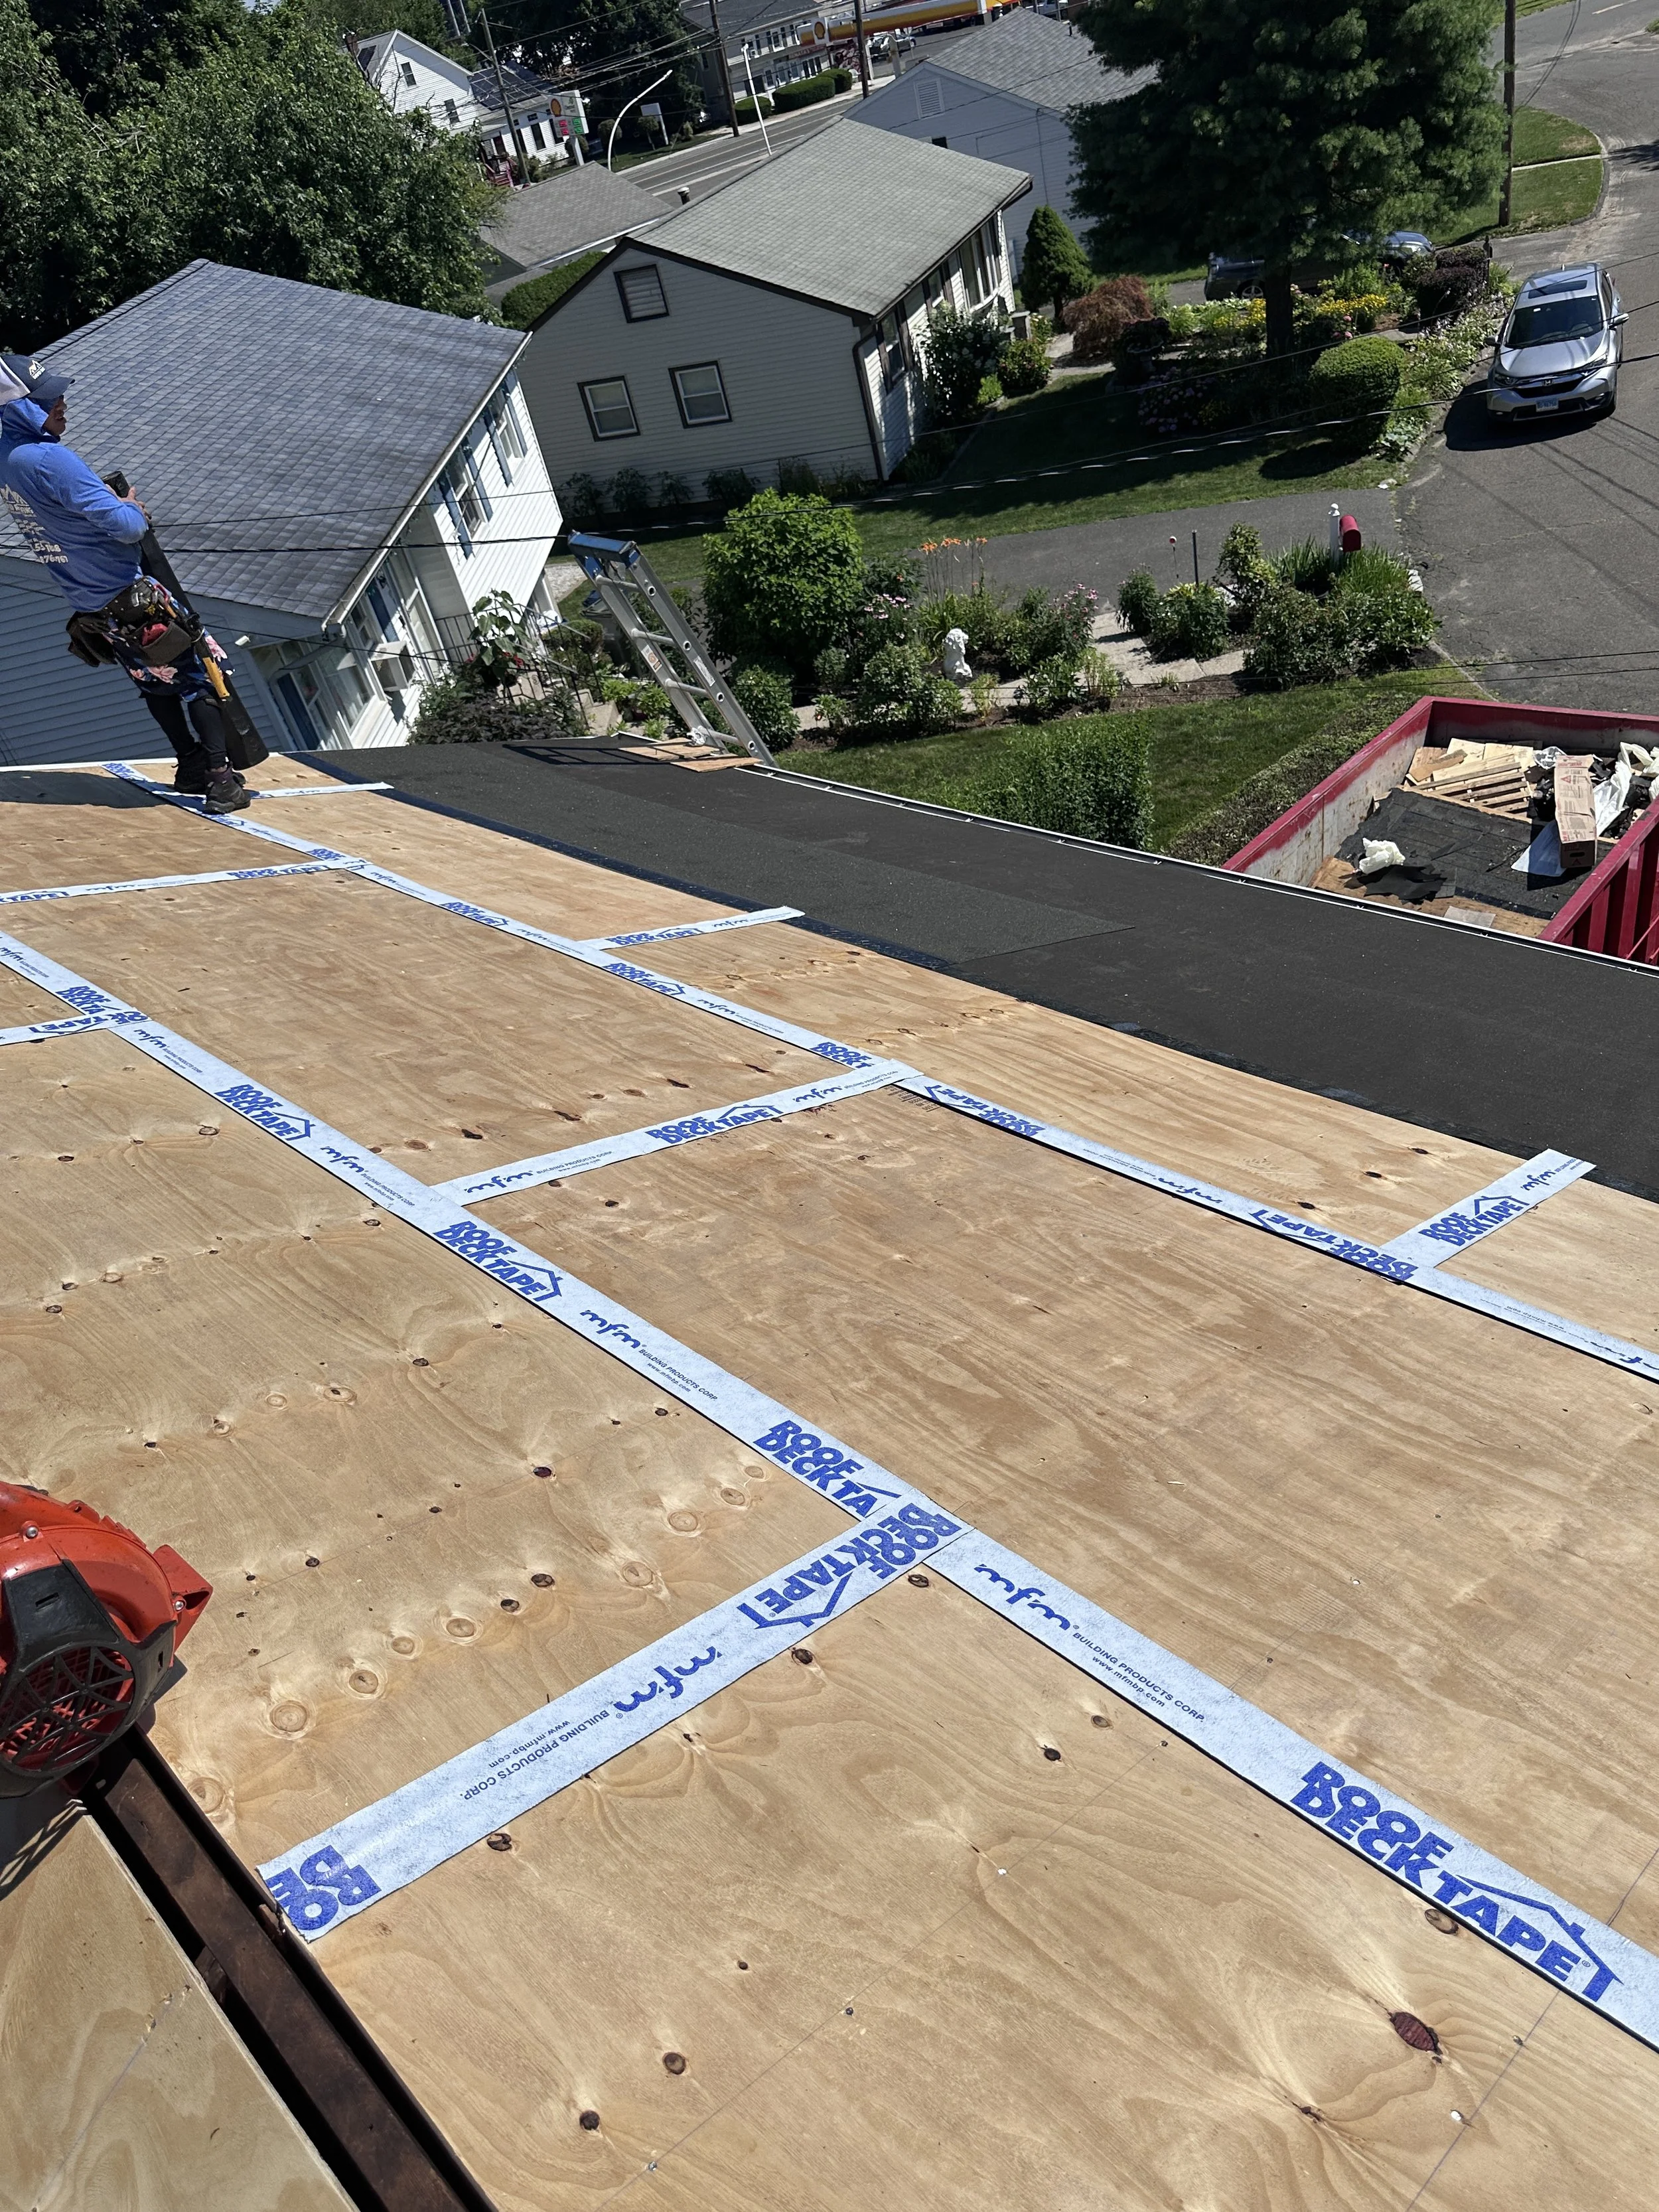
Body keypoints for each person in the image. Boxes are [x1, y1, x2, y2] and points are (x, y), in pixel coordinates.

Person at [0, 352, 249, 812]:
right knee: (199, 675)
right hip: (132, 592)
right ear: (20, 408)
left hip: (93, 604)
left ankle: (190, 764)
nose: (61, 403)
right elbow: (129, 528)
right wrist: (130, 505)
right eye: (48, 399)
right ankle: (220, 781)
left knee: (152, 678)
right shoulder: (53, 460)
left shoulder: (6, 459)